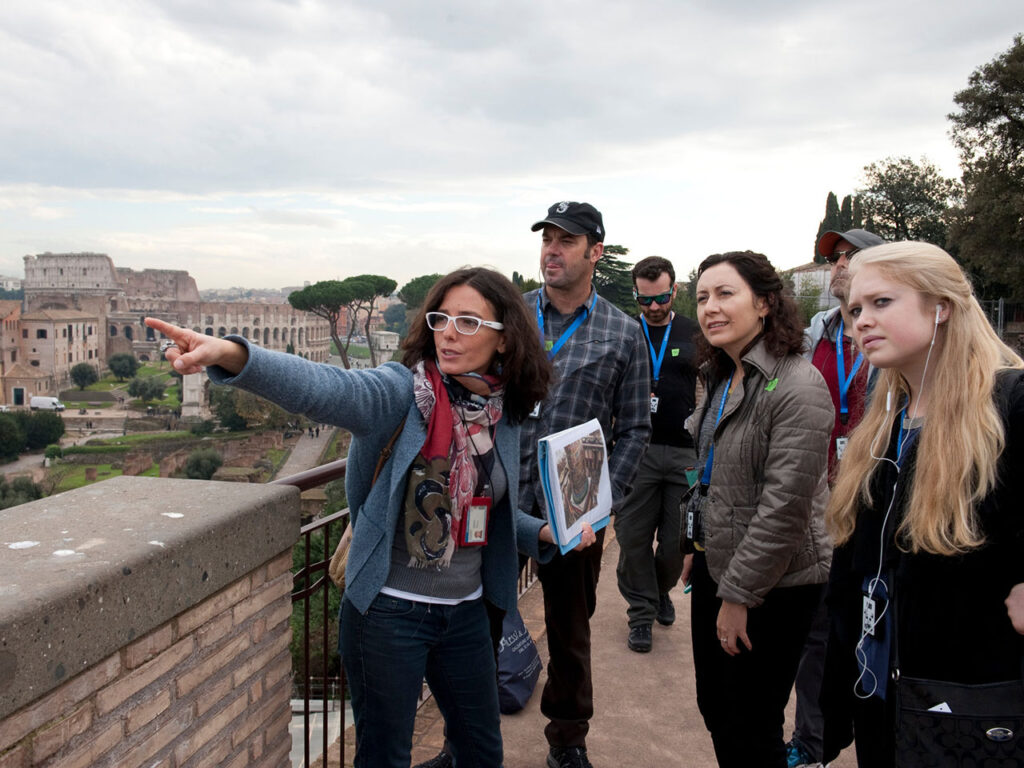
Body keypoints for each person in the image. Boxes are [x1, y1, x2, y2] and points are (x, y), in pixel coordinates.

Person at [145, 267, 598, 768]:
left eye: (469, 322)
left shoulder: (503, 411)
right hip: (389, 613)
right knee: (385, 757)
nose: (448, 332)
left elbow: (489, 512)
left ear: (505, 340)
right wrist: (233, 355)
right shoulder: (403, 394)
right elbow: (326, 388)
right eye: (441, 317)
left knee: (480, 752)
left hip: (468, 612)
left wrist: (544, 533)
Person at [821, 242, 1024, 767]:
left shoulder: (1011, 402)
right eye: (856, 309)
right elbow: (855, 572)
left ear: (942, 306)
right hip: (884, 701)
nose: (862, 320)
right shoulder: (883, 425)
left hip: (978, 712)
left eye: (882, 302)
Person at [681, 250, 833, 768]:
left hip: (775, 585)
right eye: (702, 297)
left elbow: (784, 509)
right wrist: (692, 542)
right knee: (716, 707)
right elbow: (711, 472)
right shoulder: (724, 376)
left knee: (750, 721)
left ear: (765, 303)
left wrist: (739, 596)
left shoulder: (798, 385)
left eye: (726, 294)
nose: (710, 308)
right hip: (718, 563)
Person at [523, 201, 651, 768]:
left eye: (566, 240)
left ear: (594, 252)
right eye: (547, 238)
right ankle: (463, 737)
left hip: (574, 511)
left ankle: (568, 741)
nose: (552, 248)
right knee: (475, 623)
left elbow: (637, 429)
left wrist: (602, 508)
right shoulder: (512, 317)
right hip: (501, 501)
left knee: (570, 633)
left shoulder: (624, 333)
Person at [787, 228, 884, 768]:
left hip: (877, 499)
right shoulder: (818, 332)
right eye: (834, 259)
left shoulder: (894, 335)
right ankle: (812, 743)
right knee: (819, 627)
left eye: (848, 256)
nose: (837, 265)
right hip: (820, 496)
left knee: (870, 621)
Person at [614, 255, 699, 653]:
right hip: (637, 453)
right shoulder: (626, 333)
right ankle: (641, 614)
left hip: (685, 456)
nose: (652, 307)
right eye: (644, 299)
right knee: (631, 538)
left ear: (674, 291)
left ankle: (660, 591)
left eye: (660, 298)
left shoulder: (696, 333)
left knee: (674, 546)